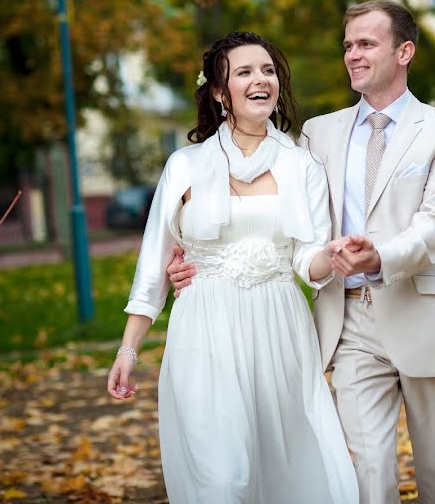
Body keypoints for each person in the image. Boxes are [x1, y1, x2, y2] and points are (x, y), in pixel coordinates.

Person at [169, 1, 435, 504]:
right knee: (365, 471)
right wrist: (193, 251)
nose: (353, 55)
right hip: (349, 322)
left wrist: (377, 253)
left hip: (422, 311)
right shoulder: (319, 133)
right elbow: (289, 217)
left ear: (404, 51)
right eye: (348, 45)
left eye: (366, 44)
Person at [106, 31, 358, 504]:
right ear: (220, 91)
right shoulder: (184, 166)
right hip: (205, 328)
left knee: (286, 470)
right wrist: (128, 350)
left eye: (267, 71)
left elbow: (309, 258)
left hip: (279, 329)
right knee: (223, 477)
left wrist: (336, 255)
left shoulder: (301, 165)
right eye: (244, 72)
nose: (260, 80)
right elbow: (153, 266)